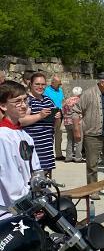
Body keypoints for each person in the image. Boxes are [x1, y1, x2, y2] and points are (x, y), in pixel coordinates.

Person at [72, 71, 104, 200]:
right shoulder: (89, 94)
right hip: (92, 135)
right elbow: (76, 111)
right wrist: (77, 130)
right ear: (102, 82)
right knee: (92, 164)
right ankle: (93, 189)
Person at [0, 81, 41, 220]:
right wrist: (28, 205)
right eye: (17, 101)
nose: (23, 105)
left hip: (28, 203)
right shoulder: (3, 137)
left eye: (25, 100)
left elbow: (36, 170)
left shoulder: (25, 135)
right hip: (9, 210)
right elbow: (10, 179)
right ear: (3, 106)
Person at [20, 72, 60, 177]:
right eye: (37, 84)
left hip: (46, 148)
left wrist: (57, 118)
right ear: (31, 84)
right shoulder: (27, 100)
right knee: (33, 181)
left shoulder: (48, 100)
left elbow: (54, 126)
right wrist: (39, 116)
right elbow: (20, 120)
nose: (40, 87)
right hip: (32, 149)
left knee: (44, 183)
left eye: (42, 84)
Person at [44, 75, 64, 161]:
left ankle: (59, 154)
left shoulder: (60, 90)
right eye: (58, 83)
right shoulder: (46, 91)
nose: (60, 85)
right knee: (49, 134)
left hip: (60, 112)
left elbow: (62, 101)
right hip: (50, 112)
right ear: (52, 83)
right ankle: (48, 154)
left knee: (59, 135)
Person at [62, 86, 84, 163]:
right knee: (78, 140)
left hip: (67, 122)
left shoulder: (67, 100)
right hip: (76, 122)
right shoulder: (80, 100)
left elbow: (63, 110)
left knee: (70, 139)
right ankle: (78, 157)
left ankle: (68, 157)